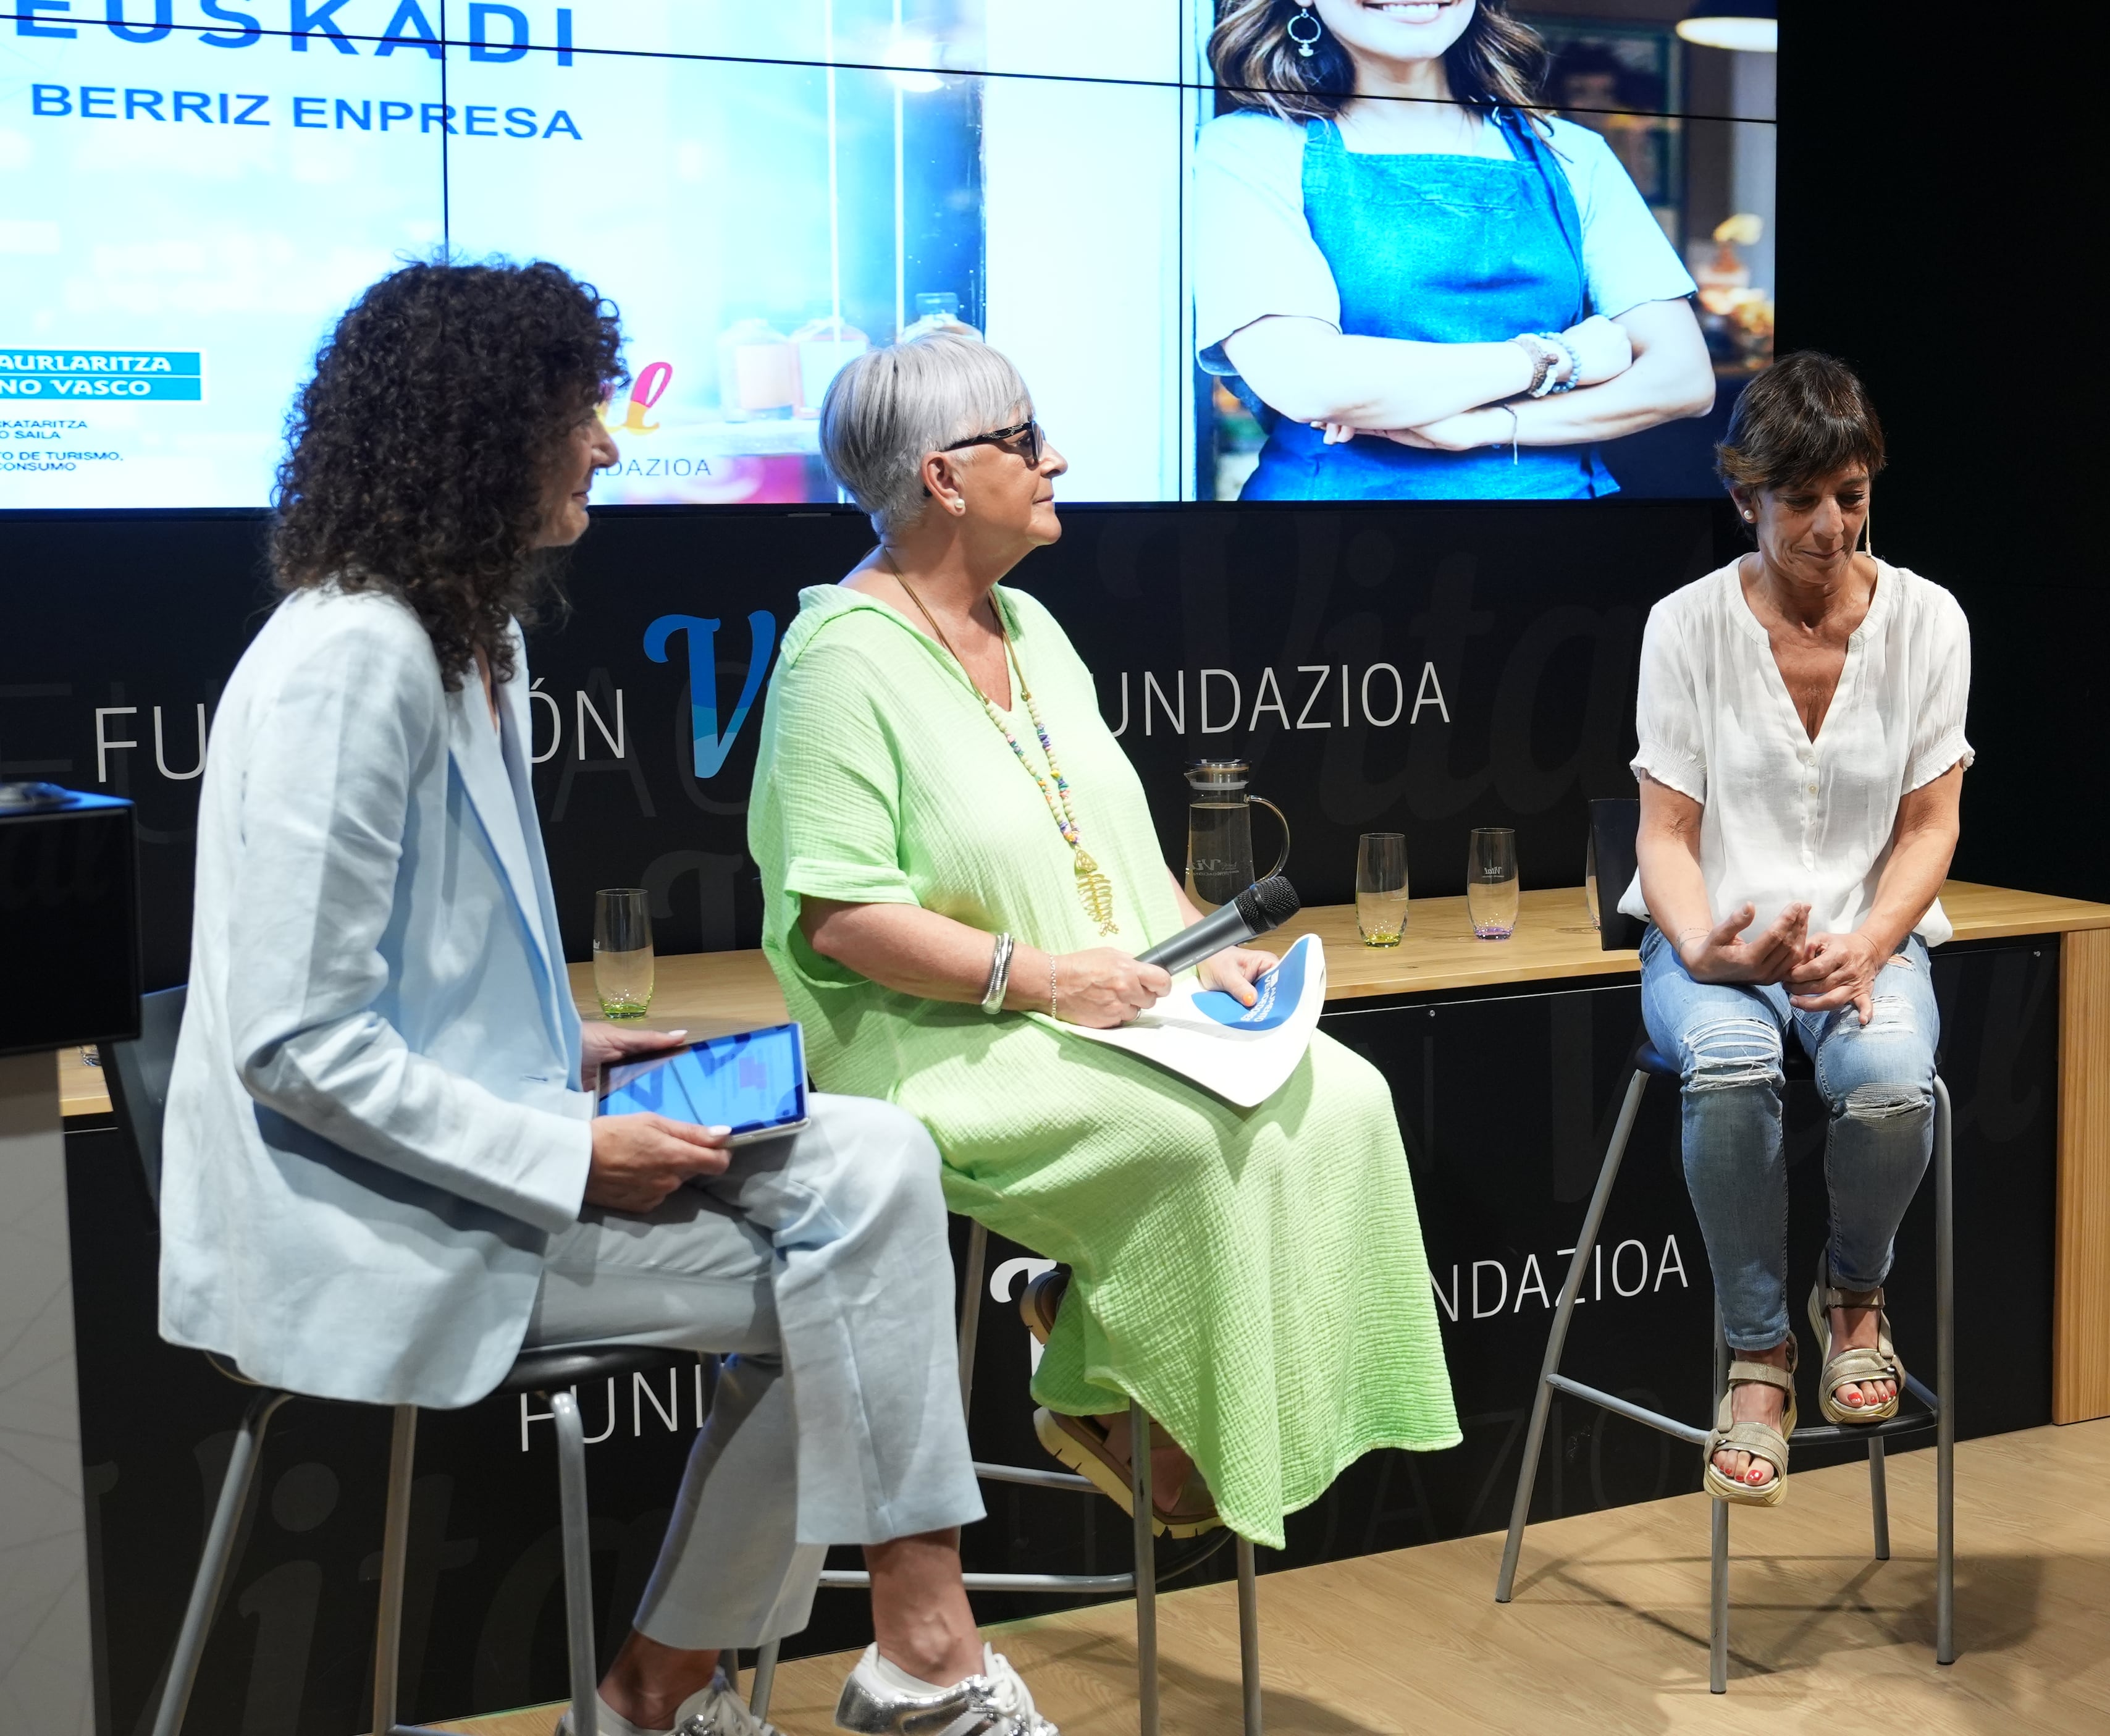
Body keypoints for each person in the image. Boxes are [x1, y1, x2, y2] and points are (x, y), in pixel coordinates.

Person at [159, 263, 1061, 1736]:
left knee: (875, 1156)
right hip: (362, 1216)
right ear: (483, 431)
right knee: (836, 1288)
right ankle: (755, 1680)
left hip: (484, 1132)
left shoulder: (472, 637)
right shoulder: (350, 660)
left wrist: (559, 1048)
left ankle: (797, 1675)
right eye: (580, 413)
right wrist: (570, 1146)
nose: (608, 444)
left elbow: (384, 985)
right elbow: (291, 1040)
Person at [746, 332, 1460, 1551]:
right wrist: (1037, 979)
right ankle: (1106, 1383)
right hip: (939, 1043)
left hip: (1112, 1003)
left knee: (1348, 1098)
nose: (1056, 459)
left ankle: (1092, 1338)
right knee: (1189, 1141)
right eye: (1025, 442)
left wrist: (1199, 943)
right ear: (943, 478)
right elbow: (841, 915)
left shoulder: (1028, 627)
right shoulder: (838, 664)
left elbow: (1104, 843)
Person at [1620, 352, 1971, 1506]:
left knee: (1884, 1081)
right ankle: (1758, 1352)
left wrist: (1873, 941)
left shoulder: (1928, 621)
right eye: (1803, 502)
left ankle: (1855, 1295)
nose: (1832, 528)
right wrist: (1712, 949)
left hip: (1863, 937)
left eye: (1853, 499)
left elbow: (1930, 826)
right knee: (1728, 1060)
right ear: (1746, 499)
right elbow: (1666, 836)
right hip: (1711, 935)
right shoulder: (1686, 626)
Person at [1194, 0, 1716, 499]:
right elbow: (1307, 379)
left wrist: (1481, 426)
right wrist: (1561, 358)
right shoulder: (1251, 148)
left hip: (1561, 541)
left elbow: (1683, 379)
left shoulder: (1575, 153)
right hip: (1328, 541)